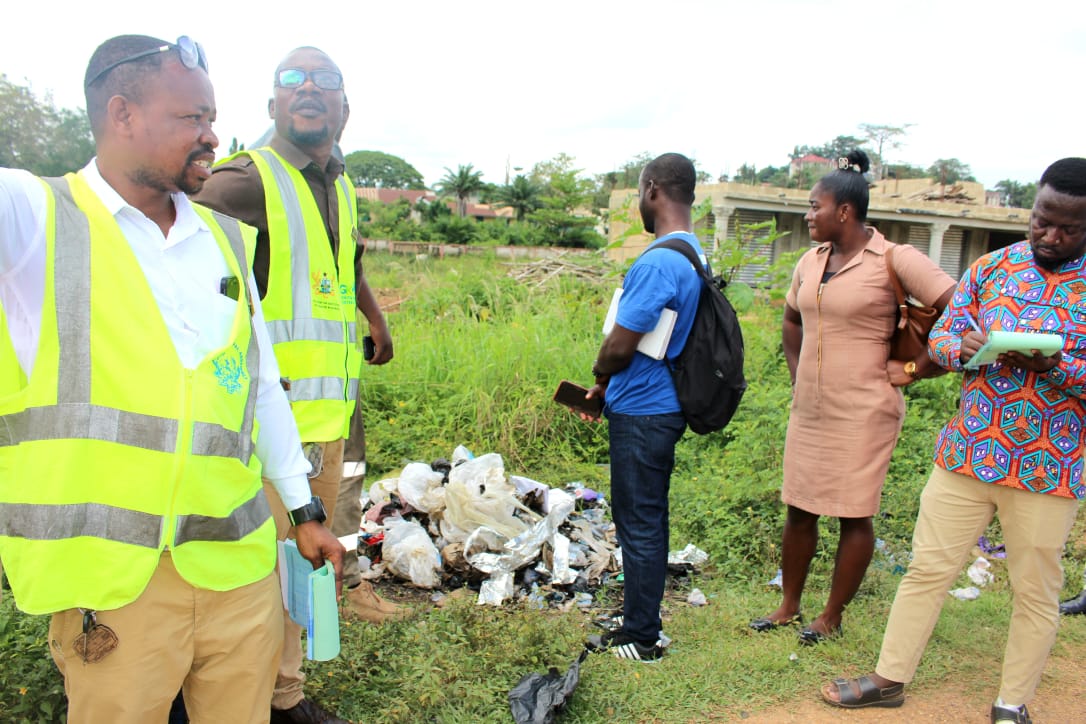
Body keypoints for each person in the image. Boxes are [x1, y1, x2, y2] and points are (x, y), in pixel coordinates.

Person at [0, 34, 345, 723]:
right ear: (122, 114)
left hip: (238, 569)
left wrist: (303, 511)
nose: (211, 136)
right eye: (192, 118)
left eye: (212, 118)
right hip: (115, 589)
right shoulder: (35, 219)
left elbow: (260, 386)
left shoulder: (224, 240)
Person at [821, 157, 1086, 724]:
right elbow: (942, 337)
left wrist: (1054, 367)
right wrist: (959, 348)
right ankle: (889, 679)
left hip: (1048, 468)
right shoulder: (993, 267)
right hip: (967, 452)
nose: (1050, 235)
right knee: (927, 569)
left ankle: (1011, 703)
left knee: (1035, 591)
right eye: (1042, 220)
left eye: (1068, 228)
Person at [192, 45, 395, 724]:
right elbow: (163, 247)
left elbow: (345, 263)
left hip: (325, 422)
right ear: (272, 104)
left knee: (302, 568)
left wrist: (374, 317)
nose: (308, 88)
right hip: (267, 431)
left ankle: (285, 695)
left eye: (324, 80)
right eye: (292, 79)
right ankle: (248, 700)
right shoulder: (245, 181)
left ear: (345, 109)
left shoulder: (338, 182)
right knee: (259, 580)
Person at [749, 151, 955, 645]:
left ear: (844, 211)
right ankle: (789, 605)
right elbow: (792, 320)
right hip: (811, 410)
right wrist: (798, 377)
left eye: (814, 206)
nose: (808, 215)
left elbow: (960, 308)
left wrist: (916, 368)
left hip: (866, 410)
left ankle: (831, 616)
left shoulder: (894, 259)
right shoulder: (810, 261)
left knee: (853, 512)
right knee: (800, 507)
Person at [582, 153, 703, 662]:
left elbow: (619, 344)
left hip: (644, 412)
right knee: (647, 517)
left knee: (640, 522)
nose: (638, 201)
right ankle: (640, 620)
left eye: (638, 192)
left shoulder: (657, 262)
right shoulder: (692, 252)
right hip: (662, 405)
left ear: (652, 189)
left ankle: (641, 638)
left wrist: (600, 373)